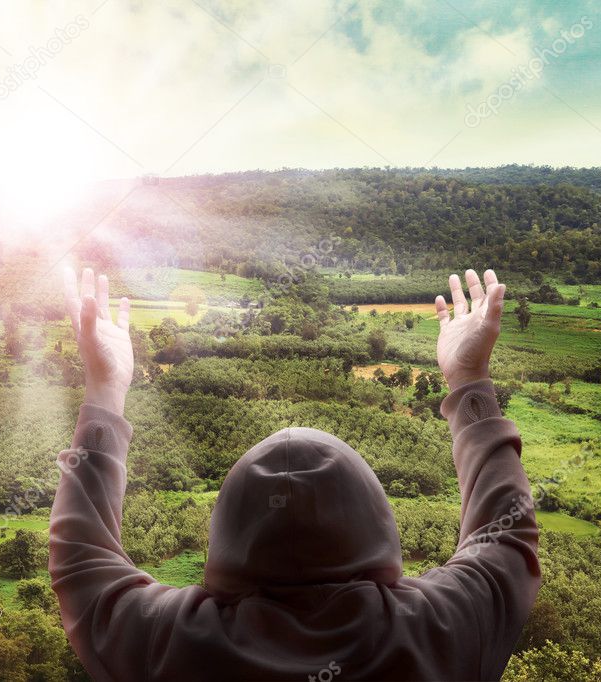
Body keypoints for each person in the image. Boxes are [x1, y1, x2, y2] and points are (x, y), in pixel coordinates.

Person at [50, 266, 540, 681]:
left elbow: (79, 556)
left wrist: (105, 391)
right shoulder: (441, 633)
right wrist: (469, 379)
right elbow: (506, 533)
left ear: (225, 533)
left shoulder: (170, 647)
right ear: (378, 522)